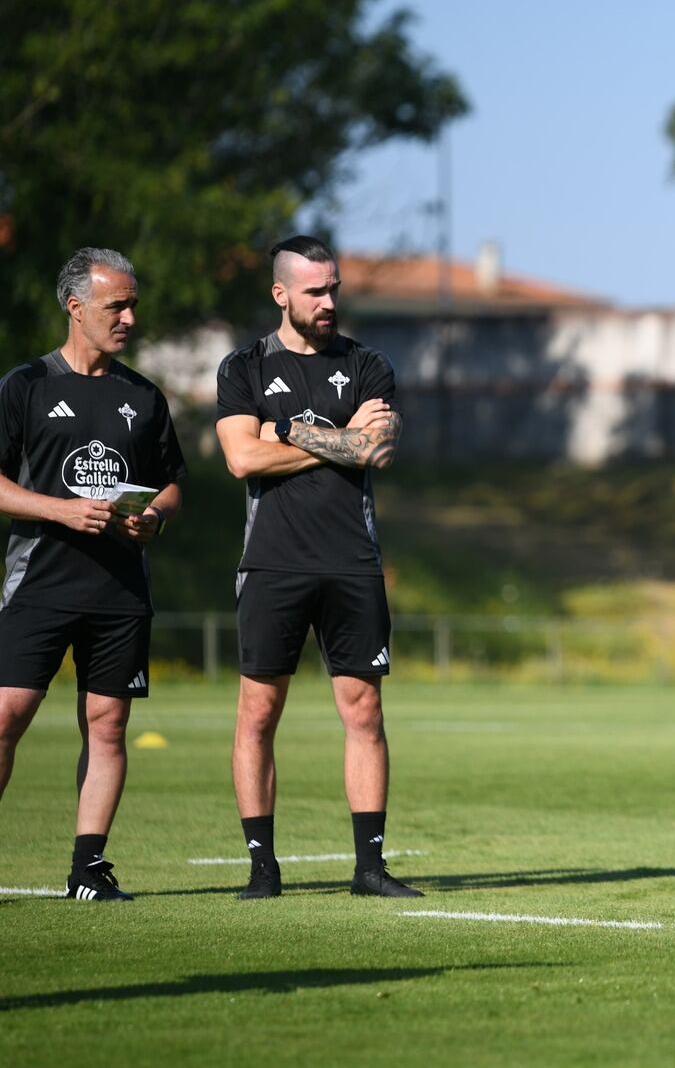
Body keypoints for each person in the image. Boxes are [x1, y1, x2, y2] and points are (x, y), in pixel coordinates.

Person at [214, 235, 417, 900]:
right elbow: (242, 460)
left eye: (334, 288)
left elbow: (376, 449)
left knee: (364, 711)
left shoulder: (367, 364)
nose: (329, 301)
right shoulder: (242, 368)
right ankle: (262, 869)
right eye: (315, 291)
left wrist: (287, 431)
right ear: (281, 294)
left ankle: (370, 867)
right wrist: (339, 441)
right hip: (271, 560)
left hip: (352, 561)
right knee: (258, 713)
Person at [0, 248, 186, 900]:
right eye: (118, 305)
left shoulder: (143, 396)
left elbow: (171, 485)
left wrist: (154, 519)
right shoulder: (24, 386)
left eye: (134, 304)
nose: (131, 317)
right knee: (6, 714)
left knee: (106, 722)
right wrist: (59, 509)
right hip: (40, 585)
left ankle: (89, 867)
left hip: (119, 591)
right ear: (75, 307)